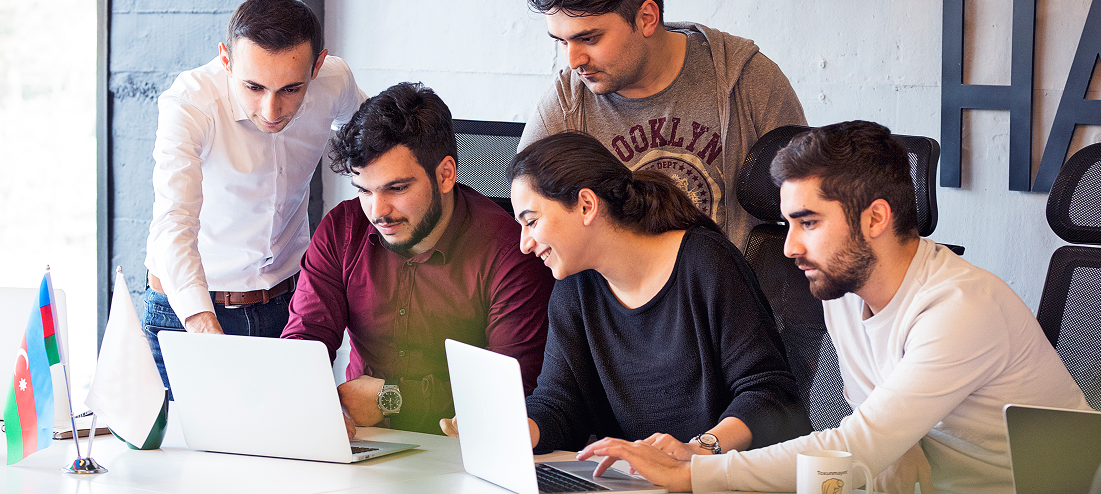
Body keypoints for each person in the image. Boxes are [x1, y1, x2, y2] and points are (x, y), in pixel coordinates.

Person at [577, 121, 1090, 494]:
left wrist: (694, 473)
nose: (789, 247)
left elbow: (859, 444)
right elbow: (887, 452)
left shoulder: (959, 308)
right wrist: (697, 453)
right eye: (788, 224)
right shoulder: (845, 293)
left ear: (875, 218)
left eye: (809, 223)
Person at [467, 131, 811, 457]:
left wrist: (698, 451)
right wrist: (511, 429)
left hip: (721, 476)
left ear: (586, 205)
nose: (524, 244)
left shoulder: (706, 263)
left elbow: (769, 393)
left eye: (531, 221)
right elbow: (559, 405)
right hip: (633, 480)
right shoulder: (574, 289)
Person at [281, 82, 555, 436]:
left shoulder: (510, 252)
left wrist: (392, 399)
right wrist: (307, 399)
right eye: (364, 190)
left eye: (396, 188)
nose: (378, 211)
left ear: (445, 175)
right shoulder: (342, 229)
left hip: (459, 444)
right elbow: (304, 341)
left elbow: (509, 389)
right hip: (364, 440)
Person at [142, 0, 367, 391]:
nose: (271, 109)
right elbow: (173, 222)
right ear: (226, 60)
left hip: (286, 306)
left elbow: (375, 140)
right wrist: (203, 325)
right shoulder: (190, 103)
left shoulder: (335, 80)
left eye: (291, 89)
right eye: (254, 87)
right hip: (189, 312)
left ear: (317, 66)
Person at [519, 0, 806, 250]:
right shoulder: (565, 106)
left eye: (589, 38)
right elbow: (531, 220)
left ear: (647, 18)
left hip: (729, 292)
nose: (573, 61)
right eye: (562, 41)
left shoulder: (748, 79)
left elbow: (807, 201)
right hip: (617, 295)